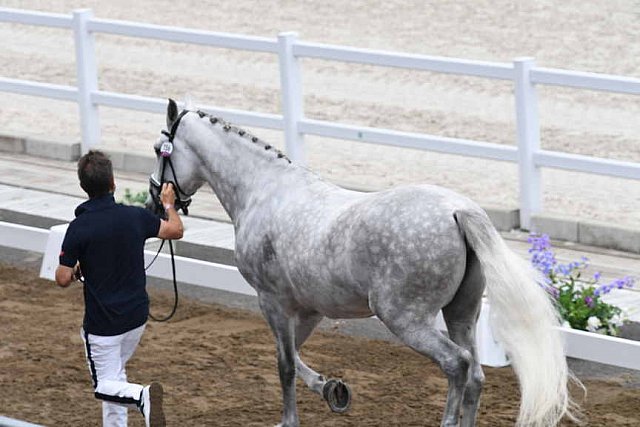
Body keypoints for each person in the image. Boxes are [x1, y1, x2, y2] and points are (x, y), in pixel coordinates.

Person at [55, 150, 184, 427]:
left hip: (103, 326)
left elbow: (63, 278)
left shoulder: (79, 227)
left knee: (104, 385)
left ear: (83, 188)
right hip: (136, 318)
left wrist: (73, 266)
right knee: (116, 377)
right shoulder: (135, 217)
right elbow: (175, 230)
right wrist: (168, 204)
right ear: (113, 182)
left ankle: (141, 396)